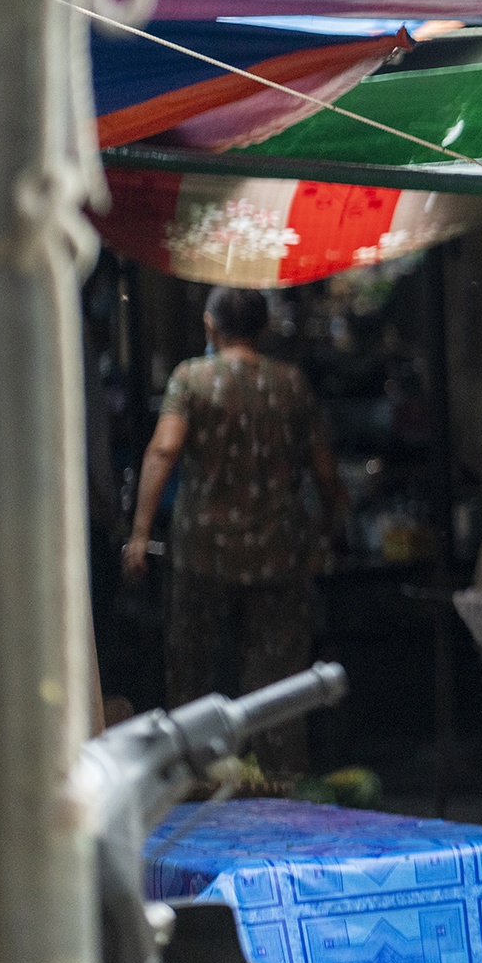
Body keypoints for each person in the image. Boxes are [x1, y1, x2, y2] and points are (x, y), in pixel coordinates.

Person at [124, 287, 346, 774]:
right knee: (278, 685)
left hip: (202, 555)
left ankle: (195, 785)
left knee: (191, 681)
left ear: (210, 325)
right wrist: (334, 526)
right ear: (264, 327)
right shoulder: (292, 384)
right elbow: (325, 470)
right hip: (278, 555)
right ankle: (280, 788)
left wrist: (140, 533)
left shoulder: (191, 378)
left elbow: (163, 451)